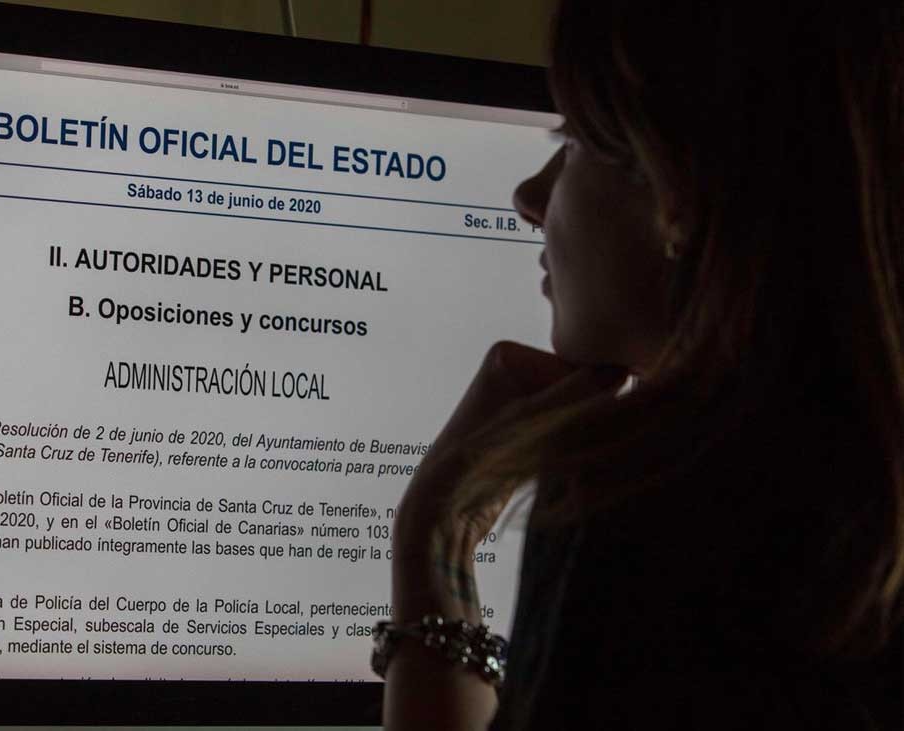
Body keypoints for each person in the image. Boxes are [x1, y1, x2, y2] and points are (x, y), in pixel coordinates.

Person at [380, 0, 904, 728]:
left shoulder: (650, 511)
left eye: (574, 142)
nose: (529, 197)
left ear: (676, 189)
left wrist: (432, 540)